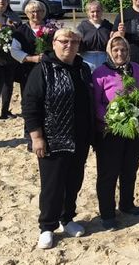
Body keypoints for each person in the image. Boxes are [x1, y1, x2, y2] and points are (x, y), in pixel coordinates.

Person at [22, 27, 94, 250]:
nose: (68, 46)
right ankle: (47, 226)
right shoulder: (43, 69)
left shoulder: (83, 68)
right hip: (53, 138)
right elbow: (30, 105)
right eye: (64, 41)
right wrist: (37, 137)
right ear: (54, 43)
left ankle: (67, 218)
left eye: (73, 42)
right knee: (52, 185)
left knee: (73, 181)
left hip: (79, 137)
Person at [92, 37, 139, 230]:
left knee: (130, 168)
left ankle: (127, 204)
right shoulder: (100, 73)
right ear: (109, 51)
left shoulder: (137, 69)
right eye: (115, 50)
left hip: (134, 128)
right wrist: (111, 119)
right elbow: (96, 103)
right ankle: (107, 213)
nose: (120, 54)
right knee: (109, 172)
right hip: (110, 130)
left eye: (123, 50)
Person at [11, 0, 50, 143]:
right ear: (27, 14)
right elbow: (14, 51)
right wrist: (32, 59)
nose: (36, 14)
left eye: (39, 11)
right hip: (28, 71)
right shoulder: (21, 31)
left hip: (48, 70)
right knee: (30, 102)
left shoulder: (50, 28)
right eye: (32, 11)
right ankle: (30, 134)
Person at [77, 0, 114, 72]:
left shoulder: (108, 26)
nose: (95, 14)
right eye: (92, 12)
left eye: (98, 11)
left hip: (104, 58)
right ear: (88, 13)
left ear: (102, 11)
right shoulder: (82, 27)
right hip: (87, 58)